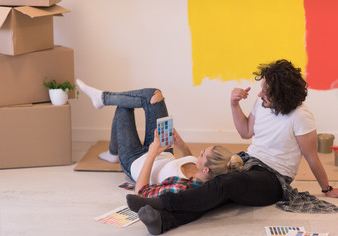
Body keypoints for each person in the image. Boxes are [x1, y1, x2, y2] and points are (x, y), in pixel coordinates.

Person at [125, 59, 338, 235]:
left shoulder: (302, 117)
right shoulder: (262, 104)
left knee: (226, 183)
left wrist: (326, 188)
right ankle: (163, 221)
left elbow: (311, 156)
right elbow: (245, 132)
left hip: (272, 179)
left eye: (266, 91)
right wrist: (234, 104)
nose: (260, 93)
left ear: (282, 96)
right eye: (262, 87)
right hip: (247, 161)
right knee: (213, 195)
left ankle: (161, 203)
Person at [76, 79, 243, 197]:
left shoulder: (182, 187)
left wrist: (152, 153)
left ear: (206, 169)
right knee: (155, 95)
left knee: (124, 107)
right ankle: (103, 104)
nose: (199, 153)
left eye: (202, 155)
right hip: (162, 149)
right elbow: (189, 159)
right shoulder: (204, 172)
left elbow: (141, 192)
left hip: (135, 161)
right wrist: (180, 144)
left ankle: (103, 102)